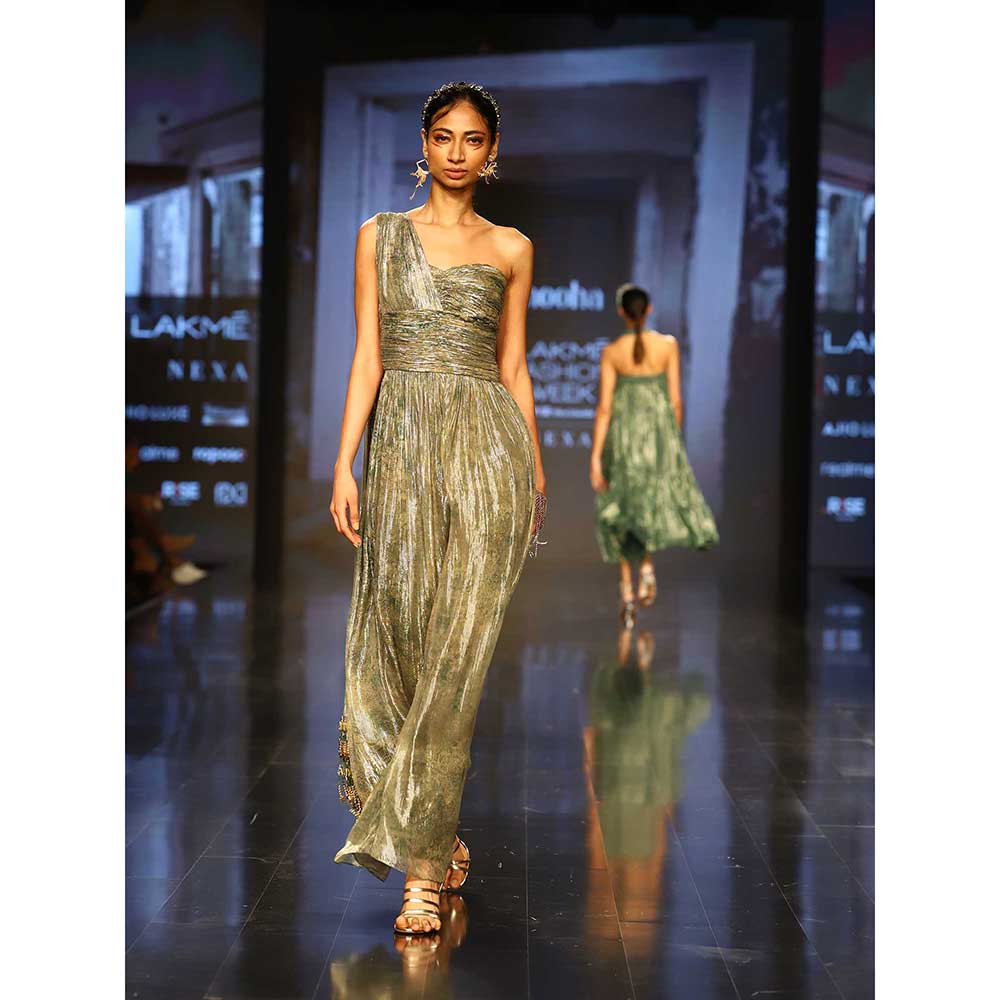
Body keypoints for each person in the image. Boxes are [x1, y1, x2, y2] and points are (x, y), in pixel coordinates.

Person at [328, 81, 547, 936]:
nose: (458, 151)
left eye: (474, 138)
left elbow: (514, 366)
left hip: (488, 455)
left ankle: (421, 876)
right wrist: (344, 464)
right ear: (423, 144)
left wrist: (533, 474)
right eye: (445, 136)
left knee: (457, 664)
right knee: (401, 648)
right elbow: (368, 358)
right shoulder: (379, 237)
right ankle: (434, 831)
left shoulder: (512, 246)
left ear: (492, 153)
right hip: (403, 455)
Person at [589, 283, 717, 627]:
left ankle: (627, 591)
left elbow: (604, 408)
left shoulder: (613, 352)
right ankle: (646, 568)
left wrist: (596, 456)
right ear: (648, 310)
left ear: (621, 311)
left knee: (620, 510)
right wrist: (671, 443)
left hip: (623, 441)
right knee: (644, 506)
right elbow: (676, 400)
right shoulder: (667, 347)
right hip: (657, 441)